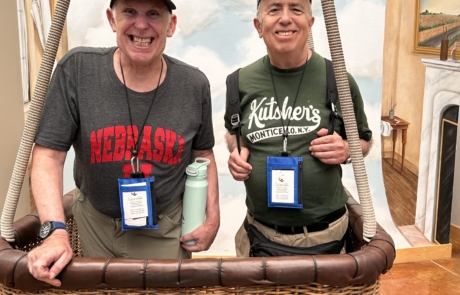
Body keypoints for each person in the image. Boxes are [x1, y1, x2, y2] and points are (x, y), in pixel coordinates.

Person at [27, 0, 219, 287]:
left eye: (153, 14)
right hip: (95, 223)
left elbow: (203, 154)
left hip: (164, 230)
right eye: (130, 11)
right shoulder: (77, 70)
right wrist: (55, 231)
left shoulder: (193, 84)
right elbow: (48, 157)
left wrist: (212, 219)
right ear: (112, 19)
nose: (141, 25)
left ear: (171, 25)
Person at [224, 0, 372, 257]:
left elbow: (364, 140)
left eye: (296, 8)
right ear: (259, 26)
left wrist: (347, 149)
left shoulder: (338, 79)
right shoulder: (239, 82)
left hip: (327, 237)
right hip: (260, 236)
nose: (285, 18)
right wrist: (238, 150)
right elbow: (232, 132)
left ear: (310, 23)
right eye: (274, 9)